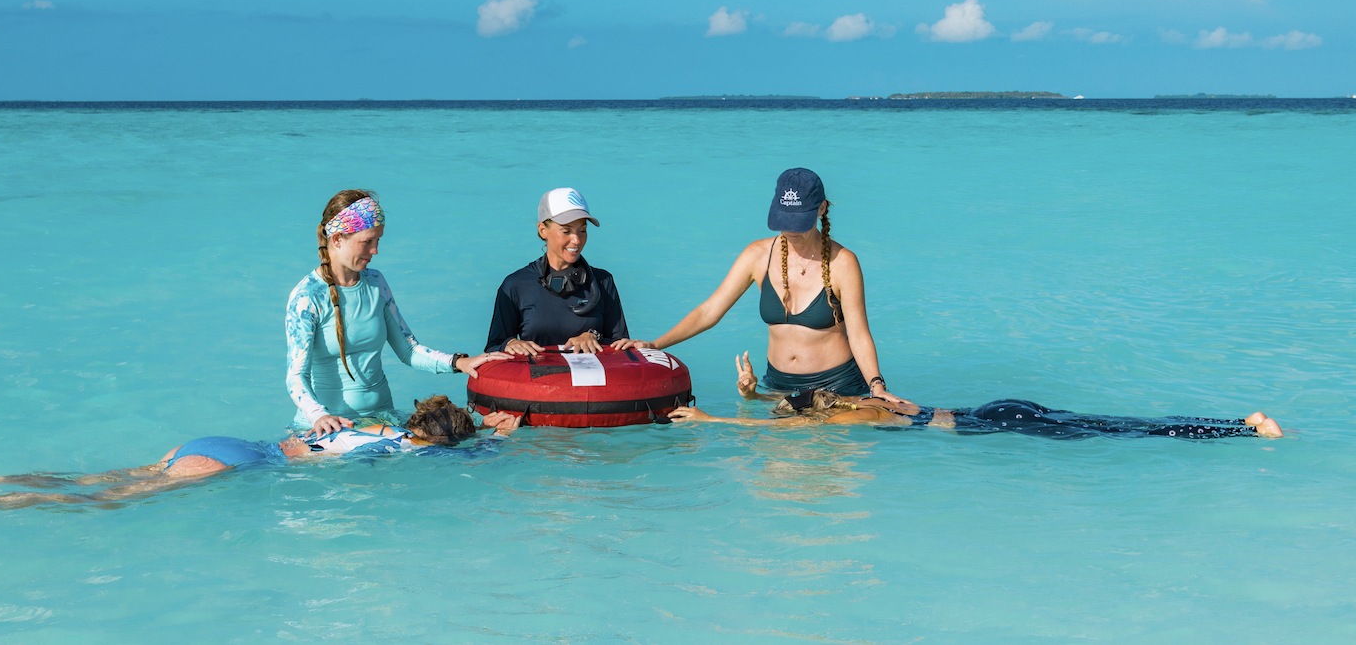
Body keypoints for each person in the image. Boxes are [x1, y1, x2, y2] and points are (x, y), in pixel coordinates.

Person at [0, 398, 521, 519]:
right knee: (102, 502)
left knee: (100, 479)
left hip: (227, 445)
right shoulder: (401, 451)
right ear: (436, 440)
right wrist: (498, 434)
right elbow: (468, 456)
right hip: (241, 467)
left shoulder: (372, 424)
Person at [649, 168, 907, 404]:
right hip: (779, 389)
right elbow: (709, 311)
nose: (791, 230)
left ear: (821, 209)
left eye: (798, 221)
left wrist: (877, 387)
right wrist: (654, 345)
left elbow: (859, 333)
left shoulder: (843, 262)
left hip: (837, 387)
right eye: (785, 219)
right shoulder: (758, 255)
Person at [288, 190, 511, 435]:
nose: (375, 251)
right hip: (329, 427)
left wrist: (459, 362)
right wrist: (319, 416)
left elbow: (408, 349)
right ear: (338, 238)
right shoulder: (307, 296)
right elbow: (296, 376)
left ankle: (485, 431)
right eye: (367, 241)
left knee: (453, 437)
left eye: (378, 241)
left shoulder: (376, 282)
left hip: (382, 419)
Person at [666, 359, 1283, 438]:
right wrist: (752, 395)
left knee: (1119, 430)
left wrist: (712, 416)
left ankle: (1241, 429)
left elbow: (768, 429)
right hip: (990, 409)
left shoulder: (848, 414)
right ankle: (1238, 423)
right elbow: (776, 417)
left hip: (997, 422)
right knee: (1114, 424)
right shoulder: (844, 405)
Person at [486, 187, 650, 356]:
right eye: (566, 231)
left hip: (592, 381)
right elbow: (494, 347)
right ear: (543, 230)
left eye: (583, 230)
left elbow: (622, 347)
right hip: (539, 381)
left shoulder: (603, 281)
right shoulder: (515, 285)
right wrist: (509, 343)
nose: (577, 240)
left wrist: (593, 336)